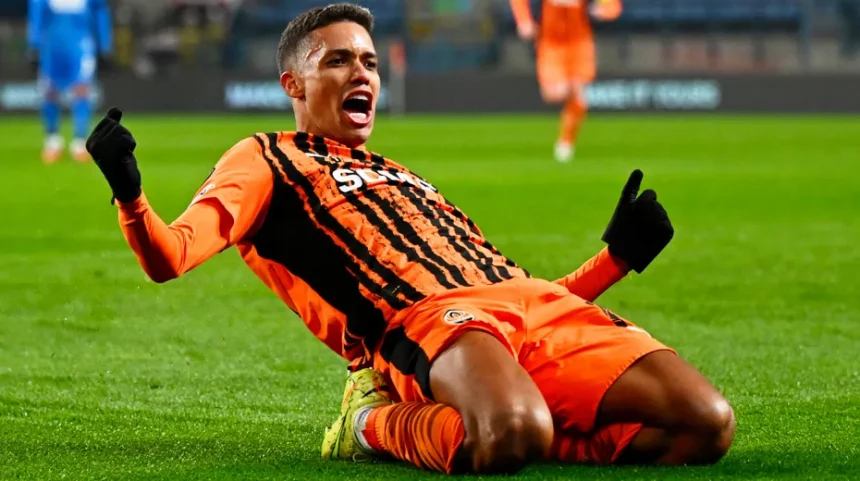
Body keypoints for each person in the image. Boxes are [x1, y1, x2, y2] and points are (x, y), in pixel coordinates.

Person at [85, 3, 734, 475]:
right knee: (511, 433)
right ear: (293, 84)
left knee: (706, 426)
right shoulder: (265, 158)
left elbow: (509, 294)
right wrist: (130, 195)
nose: (362, 73)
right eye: (338, 61)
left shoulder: (404, 174)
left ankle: (522, 421)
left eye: (369, 62)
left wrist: (615, 260)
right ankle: (369, 423)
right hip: (427, 323)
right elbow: (170, 257)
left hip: (532, 310)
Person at [510, 0, 622, 163]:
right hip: (551, 43)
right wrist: (523, 20)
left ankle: (566, 140)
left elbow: (613, 6)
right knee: (554, 94)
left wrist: (603, 11)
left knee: (579, 94)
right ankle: (572, 99)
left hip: (580, 43)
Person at [27, 0, 113, 163]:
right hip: (52, 44)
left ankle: (80, 143)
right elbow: (36, 12)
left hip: (81, 42)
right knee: (50, 91)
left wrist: (105, 45)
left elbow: (100, 12)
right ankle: (52, 142)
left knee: (82, 89)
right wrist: (34, 44)